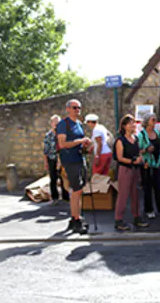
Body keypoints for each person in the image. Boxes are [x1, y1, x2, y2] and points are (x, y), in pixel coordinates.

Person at [56, 99, 92, 234]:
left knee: (79, 189)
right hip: (70, 160)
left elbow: (78, 142)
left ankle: (76, 217)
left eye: (79, 108)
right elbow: (62, 144)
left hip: (79, 158)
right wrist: (80, 141)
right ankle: (75, 218)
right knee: (76, 189)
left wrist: (85, 145)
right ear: (68, 109)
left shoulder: (79, 124)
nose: (77, 110)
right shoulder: (63, 124)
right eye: (74, 107)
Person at [113, 114, 149, 231]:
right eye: (130, 123)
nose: (133, 125)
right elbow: (119, 157)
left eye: (134, 122)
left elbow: (138, 152)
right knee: (123, 195)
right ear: (124, 126)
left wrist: (142, 161)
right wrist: (133, 161)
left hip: (135, 169)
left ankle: (137, 217)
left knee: (135, 194)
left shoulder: (135, 138)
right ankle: (118, 219)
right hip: (125, 169)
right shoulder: (120, 140)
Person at [138, 113, 160, 219]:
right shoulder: (141, 135)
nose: (155, 121)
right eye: (153, 119)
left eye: (155, 119)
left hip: (157, 163)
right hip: (146, 164)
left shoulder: (157, 133)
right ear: (147, 121)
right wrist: (146, 150)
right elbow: (137, 150)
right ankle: (149, 209)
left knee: (159, 186)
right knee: (147, 187)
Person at [43, 115, 69, 204]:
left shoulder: (63, 134)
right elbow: (45, 151)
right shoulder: (48, 135)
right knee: (53, 178)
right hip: (52, 159)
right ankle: (55, 198)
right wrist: (46, 162)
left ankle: (66, 196)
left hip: (62, 158)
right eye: (55, 122)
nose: (56, 124)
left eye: (58, 122)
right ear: (51, 123)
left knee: (64, 177)